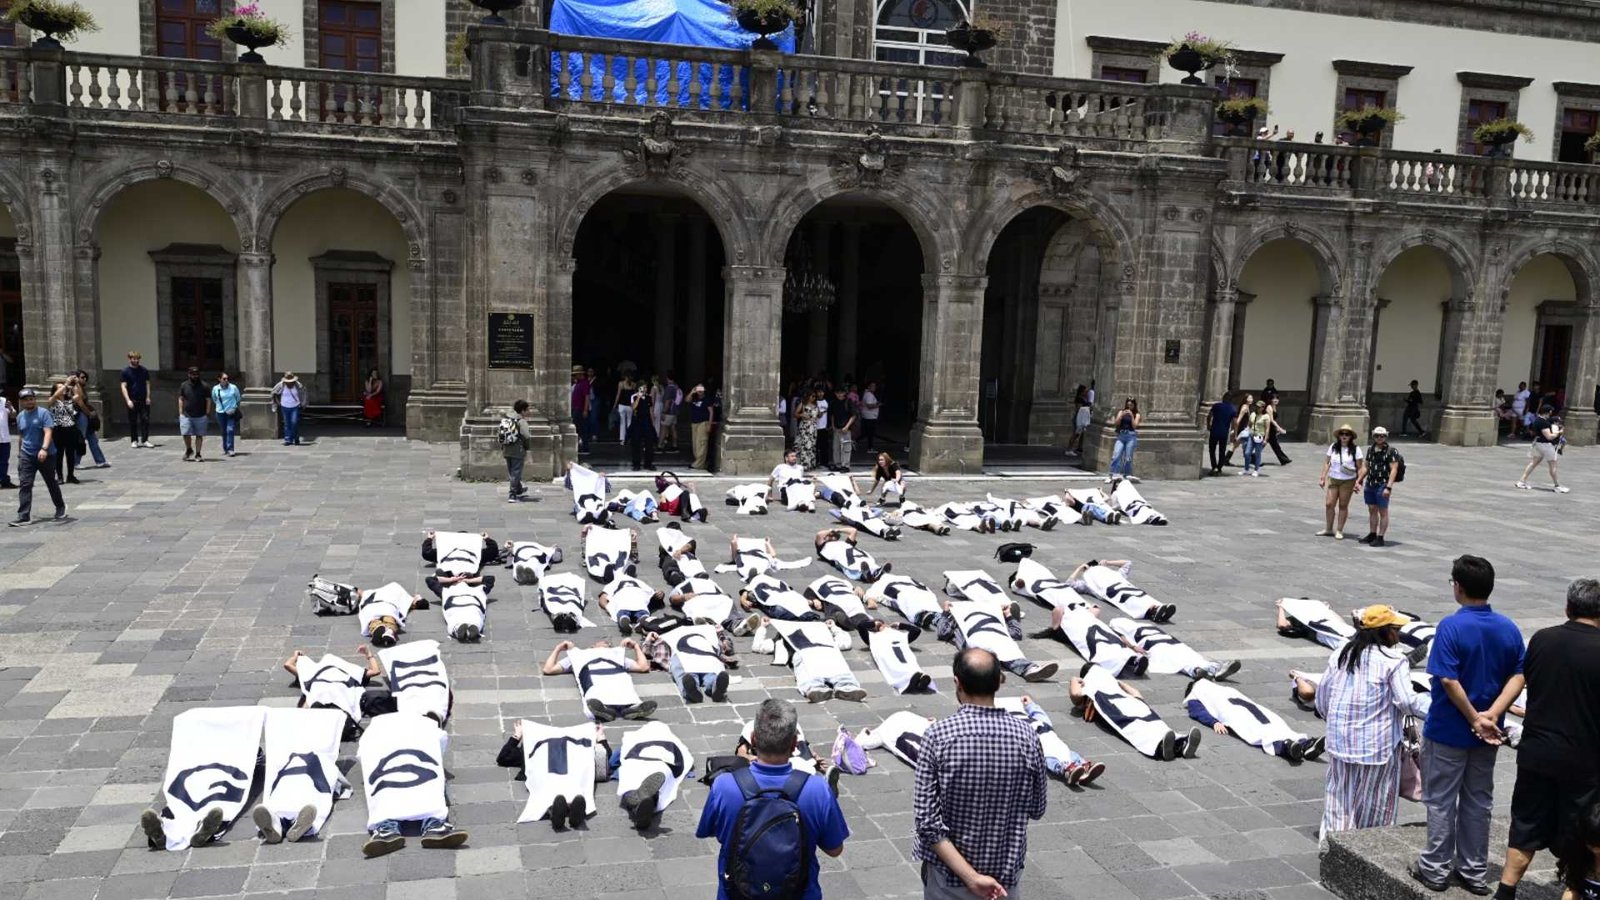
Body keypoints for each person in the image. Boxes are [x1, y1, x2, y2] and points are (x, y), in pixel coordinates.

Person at [1412, 555, 1525, 894]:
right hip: (1488, 736)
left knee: (1441, 800)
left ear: (1458, 588)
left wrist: (1475, 717)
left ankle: (1434, 868)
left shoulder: (1451, 626)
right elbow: (1519, 675)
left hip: (1449, 730)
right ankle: (1474, 870)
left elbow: (1448, 679)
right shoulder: (1508, 627)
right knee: (1479, 801)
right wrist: (1492, 716)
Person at [913, 648, 1047, 900]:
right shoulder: (1027, 736)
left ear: (957, 682)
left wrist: (971, 877)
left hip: (948, 879)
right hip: (1003, 879)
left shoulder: (938, 736)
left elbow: (928, 824)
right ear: (998, 682)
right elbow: (1037, 809)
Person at [1495, 578, 1600, 900]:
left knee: (1525, 820)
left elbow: (1532, 684)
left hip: (1537, 751)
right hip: (1583, 759)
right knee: (1581, 827)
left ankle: (1506, 889)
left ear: (1568, 608)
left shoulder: (1542, 639)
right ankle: (1574, 889)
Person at [697, 699, 848, 900]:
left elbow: (714, 832)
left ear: (753, 739)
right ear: (794, 744)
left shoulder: (724, 786)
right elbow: (835, 849)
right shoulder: (817, 789)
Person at [1316, 605, 1429, 840]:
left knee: (1339, 800)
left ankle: (1333, 849)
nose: (1398, 635)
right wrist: (1441, 710)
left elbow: (1322, 698)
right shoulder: (1393, 660)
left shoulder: (1341, 653)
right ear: (1386, 632)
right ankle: (1366, 851)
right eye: (1396, 629)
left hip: (1340, 743)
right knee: (1375, 803)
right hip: (1376, 747)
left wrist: (1337, 724)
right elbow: (1407, 701)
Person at [358, 711, 468, 857]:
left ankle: (386, 830)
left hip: (386, 762)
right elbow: (439, 746)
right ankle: (434, 825)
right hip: (416, 759)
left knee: (386, 789)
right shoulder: (427, 725)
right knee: (429, 783)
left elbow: (365, 756)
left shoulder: (374, 729)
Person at [1185, 678, 1324, 762]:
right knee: (1273, 726)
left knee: (1260, 731)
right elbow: (1198, 711)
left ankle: (1293, 746)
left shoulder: (1200, 692)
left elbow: (1197, 711)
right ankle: (1300, 745)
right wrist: (1214, 722)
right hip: (1252, 710)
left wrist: (1213, 721)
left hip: (1238, 712)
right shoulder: (1211, 690)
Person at [541, 638, 658, 722]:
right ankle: (605, 710)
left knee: (624, 687)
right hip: (593, 676)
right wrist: (558, 649)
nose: (607, 643)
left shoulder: (616, 655)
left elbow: (643, 667)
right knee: (597, 692)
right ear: (593, 645)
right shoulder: (578, 655)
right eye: (603, 641)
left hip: (616, 677)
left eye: (609, 644)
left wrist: (636, 647)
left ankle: (631, 709)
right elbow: (548, 669)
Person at [10, 389, 65, 526]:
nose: (29, 401)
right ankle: (23, 516)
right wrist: (19, 454)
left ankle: (60, 506)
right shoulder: (20, 416)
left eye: (31, 399)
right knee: (25, 484)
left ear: (35, 399)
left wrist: (44, 449)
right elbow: (22, 436)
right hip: (27, 455)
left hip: (45, 454)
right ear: (21, 402)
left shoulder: (43, 413)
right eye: (26, 399)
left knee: (51, 482)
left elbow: (48, 432)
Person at [1317, 424, 1364, 539]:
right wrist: (1323, 476)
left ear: (1351, 437)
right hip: (1333, 478)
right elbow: (1327, 462)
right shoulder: (1333, 447)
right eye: (1342, 434)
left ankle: (1339, 530)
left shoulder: (1356, 450)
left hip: (1348, 481)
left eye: (1346, 434)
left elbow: (1360, 467)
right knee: (1329, 504)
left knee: (1343, 505)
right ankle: (1328, 528)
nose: (1344, 436)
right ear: (1338, 436)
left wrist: (1358, 481)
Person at [1358, 426, 1400, 546]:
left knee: (1383, 511)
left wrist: (1389, 487)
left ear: (1386, 437)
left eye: (1382, 436)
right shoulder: (1371, 449)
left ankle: (1380, 537)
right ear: (1373, 437)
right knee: (1372, 510)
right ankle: (1372, 534)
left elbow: (1394, 469)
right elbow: (1366, 466)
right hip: (1370, 483)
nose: (1380, 438)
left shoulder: (1391, 451)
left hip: (1383, 484)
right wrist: (1359, 480)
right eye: (1377, 436)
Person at [1516, 405, 1569, 493]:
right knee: (1553, 465)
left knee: (1533, 463)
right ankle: (1557, 486)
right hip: (1546, 445)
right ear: (1548, 412)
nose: (1551, 413)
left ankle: (1521, 481)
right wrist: (1559, 432)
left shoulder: (1537, 420)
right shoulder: (1543, 422)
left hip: (1538, 444)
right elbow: (1549, 437)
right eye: (1551, 411)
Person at [47, 378, 84, 485]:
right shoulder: (53, 401)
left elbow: (79, 395)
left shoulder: (69, 400)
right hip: (58, 429)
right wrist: (66, 384)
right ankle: (59, 476)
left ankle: (71, 475)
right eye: (59, 388)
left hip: (70, 429)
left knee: (70, 453)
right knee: (59, 454)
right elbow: (53, 397)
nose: (63, 389)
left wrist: (76, 383)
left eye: (63, 387)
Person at [71, 369, 108, 469]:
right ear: (76, 378)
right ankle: (75, 462)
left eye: (86, 377)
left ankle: (100, 461)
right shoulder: (75, 388)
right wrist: (89, 413)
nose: (85, 379)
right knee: (81, 439)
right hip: (80, 415)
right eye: (82, 377)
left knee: (92, 438)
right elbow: (80, 403)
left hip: (85, 415)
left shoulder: (81, 387)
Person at [177, 367, 211, 462]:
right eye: (193, 374)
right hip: (186, 414)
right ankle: (189, 449)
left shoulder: (204, 386)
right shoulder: (184, 385)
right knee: (185, 433)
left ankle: (198, 453)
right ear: (189, 375)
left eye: (196, 374)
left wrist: (207, 412)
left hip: (201, 415)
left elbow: (208, 399)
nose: (195, 376)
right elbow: (181, 398)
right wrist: (180, 412)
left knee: (199, 435)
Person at [120, 350, 153, 448]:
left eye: (138, 359)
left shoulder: (144, 370)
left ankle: (145, 439)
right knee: (133, 421)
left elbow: (147, 384)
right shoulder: (125, 372)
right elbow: (123, 386)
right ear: (130, 359)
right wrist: (128, 400)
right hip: (132, 399)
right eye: (134, 358)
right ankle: (134, 440)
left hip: (143, 399)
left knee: (145, 419)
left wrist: (148, 397)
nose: (137, 360)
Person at [503, 399, 533, 502]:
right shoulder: (521, 421)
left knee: (513, 472)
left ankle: (519, 489)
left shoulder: (507, 418)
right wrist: (527, 448)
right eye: (527, 409)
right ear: (523, 411)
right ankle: (512, 494)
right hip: (518, 450)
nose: (529, 412)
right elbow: (526, 436)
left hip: (506, 449)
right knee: (516, 472)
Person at [1108, 397, 1140, 480]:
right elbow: (1116, 423)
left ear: (1134, 405)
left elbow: (1134, 426)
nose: (1129, 406)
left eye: (1131, 405)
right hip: (1121, 436)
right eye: (1128, 404)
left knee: (1128, 457)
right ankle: (1113, 473)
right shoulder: (1121, 412)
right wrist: (1122, 415)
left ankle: (1127, 474)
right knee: (1116, 454)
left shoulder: (1137, 414)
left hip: (1131, 436)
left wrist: (1131, 416)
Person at [1206, 393, 1238, 475]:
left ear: (1223, 398)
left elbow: (1209, 416)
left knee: (1212, 449)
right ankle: (1219, 467)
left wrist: (1208, 425)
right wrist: (1235, 434)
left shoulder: (1216, 406)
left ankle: (1214, 467)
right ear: (1231, 400)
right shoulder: (1232, 409)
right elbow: (1235, 423)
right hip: (1224, 432)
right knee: (1222, 450)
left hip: (1214, 430)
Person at [626, 384, 656, 471]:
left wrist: (652, 423)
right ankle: (636, 463)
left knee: (649, 443)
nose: (645, 389)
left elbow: (650, 410)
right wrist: (639, 397)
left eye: (646, 387)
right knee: (636, 442)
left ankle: (648, 463)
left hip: (647, 421)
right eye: (643, 388)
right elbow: (633, 407)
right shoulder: (634, 396)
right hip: (637, 421)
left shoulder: (649, 397)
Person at [211, 372, 242, 457]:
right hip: (220, 412)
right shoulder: (215, 389)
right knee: (223, 431)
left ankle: (230, 449)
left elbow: (238, 398)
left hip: (231, 412)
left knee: (230, 429)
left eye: (227, 378)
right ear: (219, 379)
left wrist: (234, 407)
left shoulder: (233, 387)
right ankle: (225, 448)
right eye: (224, 379)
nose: (226, 380)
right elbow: (214, 398)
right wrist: (221, 407)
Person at [271, 372, 306, 446]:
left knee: (294, 422)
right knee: (287, 423)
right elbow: (274, 392)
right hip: (284, 406)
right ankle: (288, 439)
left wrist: (303, 403)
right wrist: (278, 403)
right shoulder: (281, 385)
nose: (289, 383)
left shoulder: (298, 385)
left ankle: (296, 438)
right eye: (287, 382)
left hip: (295, 406)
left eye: (291, 382)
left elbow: (303, 393)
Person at [828, 384, 857, 473]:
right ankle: (837, 464)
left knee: (846, 448)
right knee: (835, 448)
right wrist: (832, 425)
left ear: (845, 393)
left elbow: (854, 415)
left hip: (846, 428)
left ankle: (845, 465)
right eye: (837, 393)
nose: (839, 394)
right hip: (836, 428)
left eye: (841, 393)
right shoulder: (833, 402)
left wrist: (847, 426)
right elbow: (832, 415)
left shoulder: (848, 402)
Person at [1241, 399, 1270, 476]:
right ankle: (1246, 469)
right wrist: (1247, 431)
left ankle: (1256, 470)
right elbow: (1249, 424)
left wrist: (1265, 439)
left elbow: (1267, 429)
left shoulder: (1266, 416)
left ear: (1263, 408)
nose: (1258, 408)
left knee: (1257, 454)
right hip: (1251, 436)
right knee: (1247, 453)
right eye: (1257, 406)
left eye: (1259, 407)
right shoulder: (1253, 414)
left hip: (1259, 436)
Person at [689, 384, 714, 470]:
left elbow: (711, 412)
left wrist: (710, 424)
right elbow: (687, 400)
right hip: (694, 423)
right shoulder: (694, 398)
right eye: (698, 389)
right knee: (695, 444)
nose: (699, 391)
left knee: (702, 443)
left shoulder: (707, 399)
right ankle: (698, 462)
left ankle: (698, 464)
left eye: (701, 389)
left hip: (703, 423)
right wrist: (692, 392)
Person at [571, 365, 593, 453]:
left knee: (583, 429)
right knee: (578, 428)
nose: (575, 376)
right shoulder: (578, 383)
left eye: (576, 374)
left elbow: (587, 397)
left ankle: (585, 447)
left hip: (580, 409)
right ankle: (581, 446)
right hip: (576, 408)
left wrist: (585, 410)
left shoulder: (585, 383)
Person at [1266, 396, 1292, 465]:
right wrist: (1280, 428)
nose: (1276, 400)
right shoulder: (1269, 407)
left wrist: (1277, 428)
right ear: (1271, 400)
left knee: (1275, 445)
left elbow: (1274, 419)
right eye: (1274, 399)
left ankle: (1284, 459)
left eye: (1277, 399)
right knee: (1264, 444)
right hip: (1268, 428)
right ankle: (1252, 457)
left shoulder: (1274, 407)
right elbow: (1271, 420)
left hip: (1272, 428)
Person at [659, 372, 681, 452]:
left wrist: (664, 412)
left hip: (669, 411)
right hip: (675, 411)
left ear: (667, 378)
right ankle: (675, 445)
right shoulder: (676, 387)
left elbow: (667, 401)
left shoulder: (669, 388)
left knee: (664, 428)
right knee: (673, 428)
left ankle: (660, 446)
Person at [614, 373, 637, 443]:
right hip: (630, 405)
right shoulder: (634, 384)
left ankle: (622, 438)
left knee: (622, 422)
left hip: (622, 405)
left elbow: (618, 395)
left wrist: (615, 404)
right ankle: (629, 437)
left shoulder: (621, 384)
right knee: (629, 422)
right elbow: (634, 396)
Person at [860, 381, 881, 450]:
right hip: (870, 416)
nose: (874, 387)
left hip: (868, 416)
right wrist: (878, 405)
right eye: (872, 386)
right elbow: (869, 406)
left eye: (875, 386)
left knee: (866, 432)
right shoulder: (869, 395)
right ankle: (870, 447)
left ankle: (856, 442)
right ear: (868, 386)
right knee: (870, 433)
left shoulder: (867, 394)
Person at [0, 395, 13, 489]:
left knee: (4, 461)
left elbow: (13, 415)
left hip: (4, 437)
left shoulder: (4, 400)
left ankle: (4, 480)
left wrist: (10, 408)